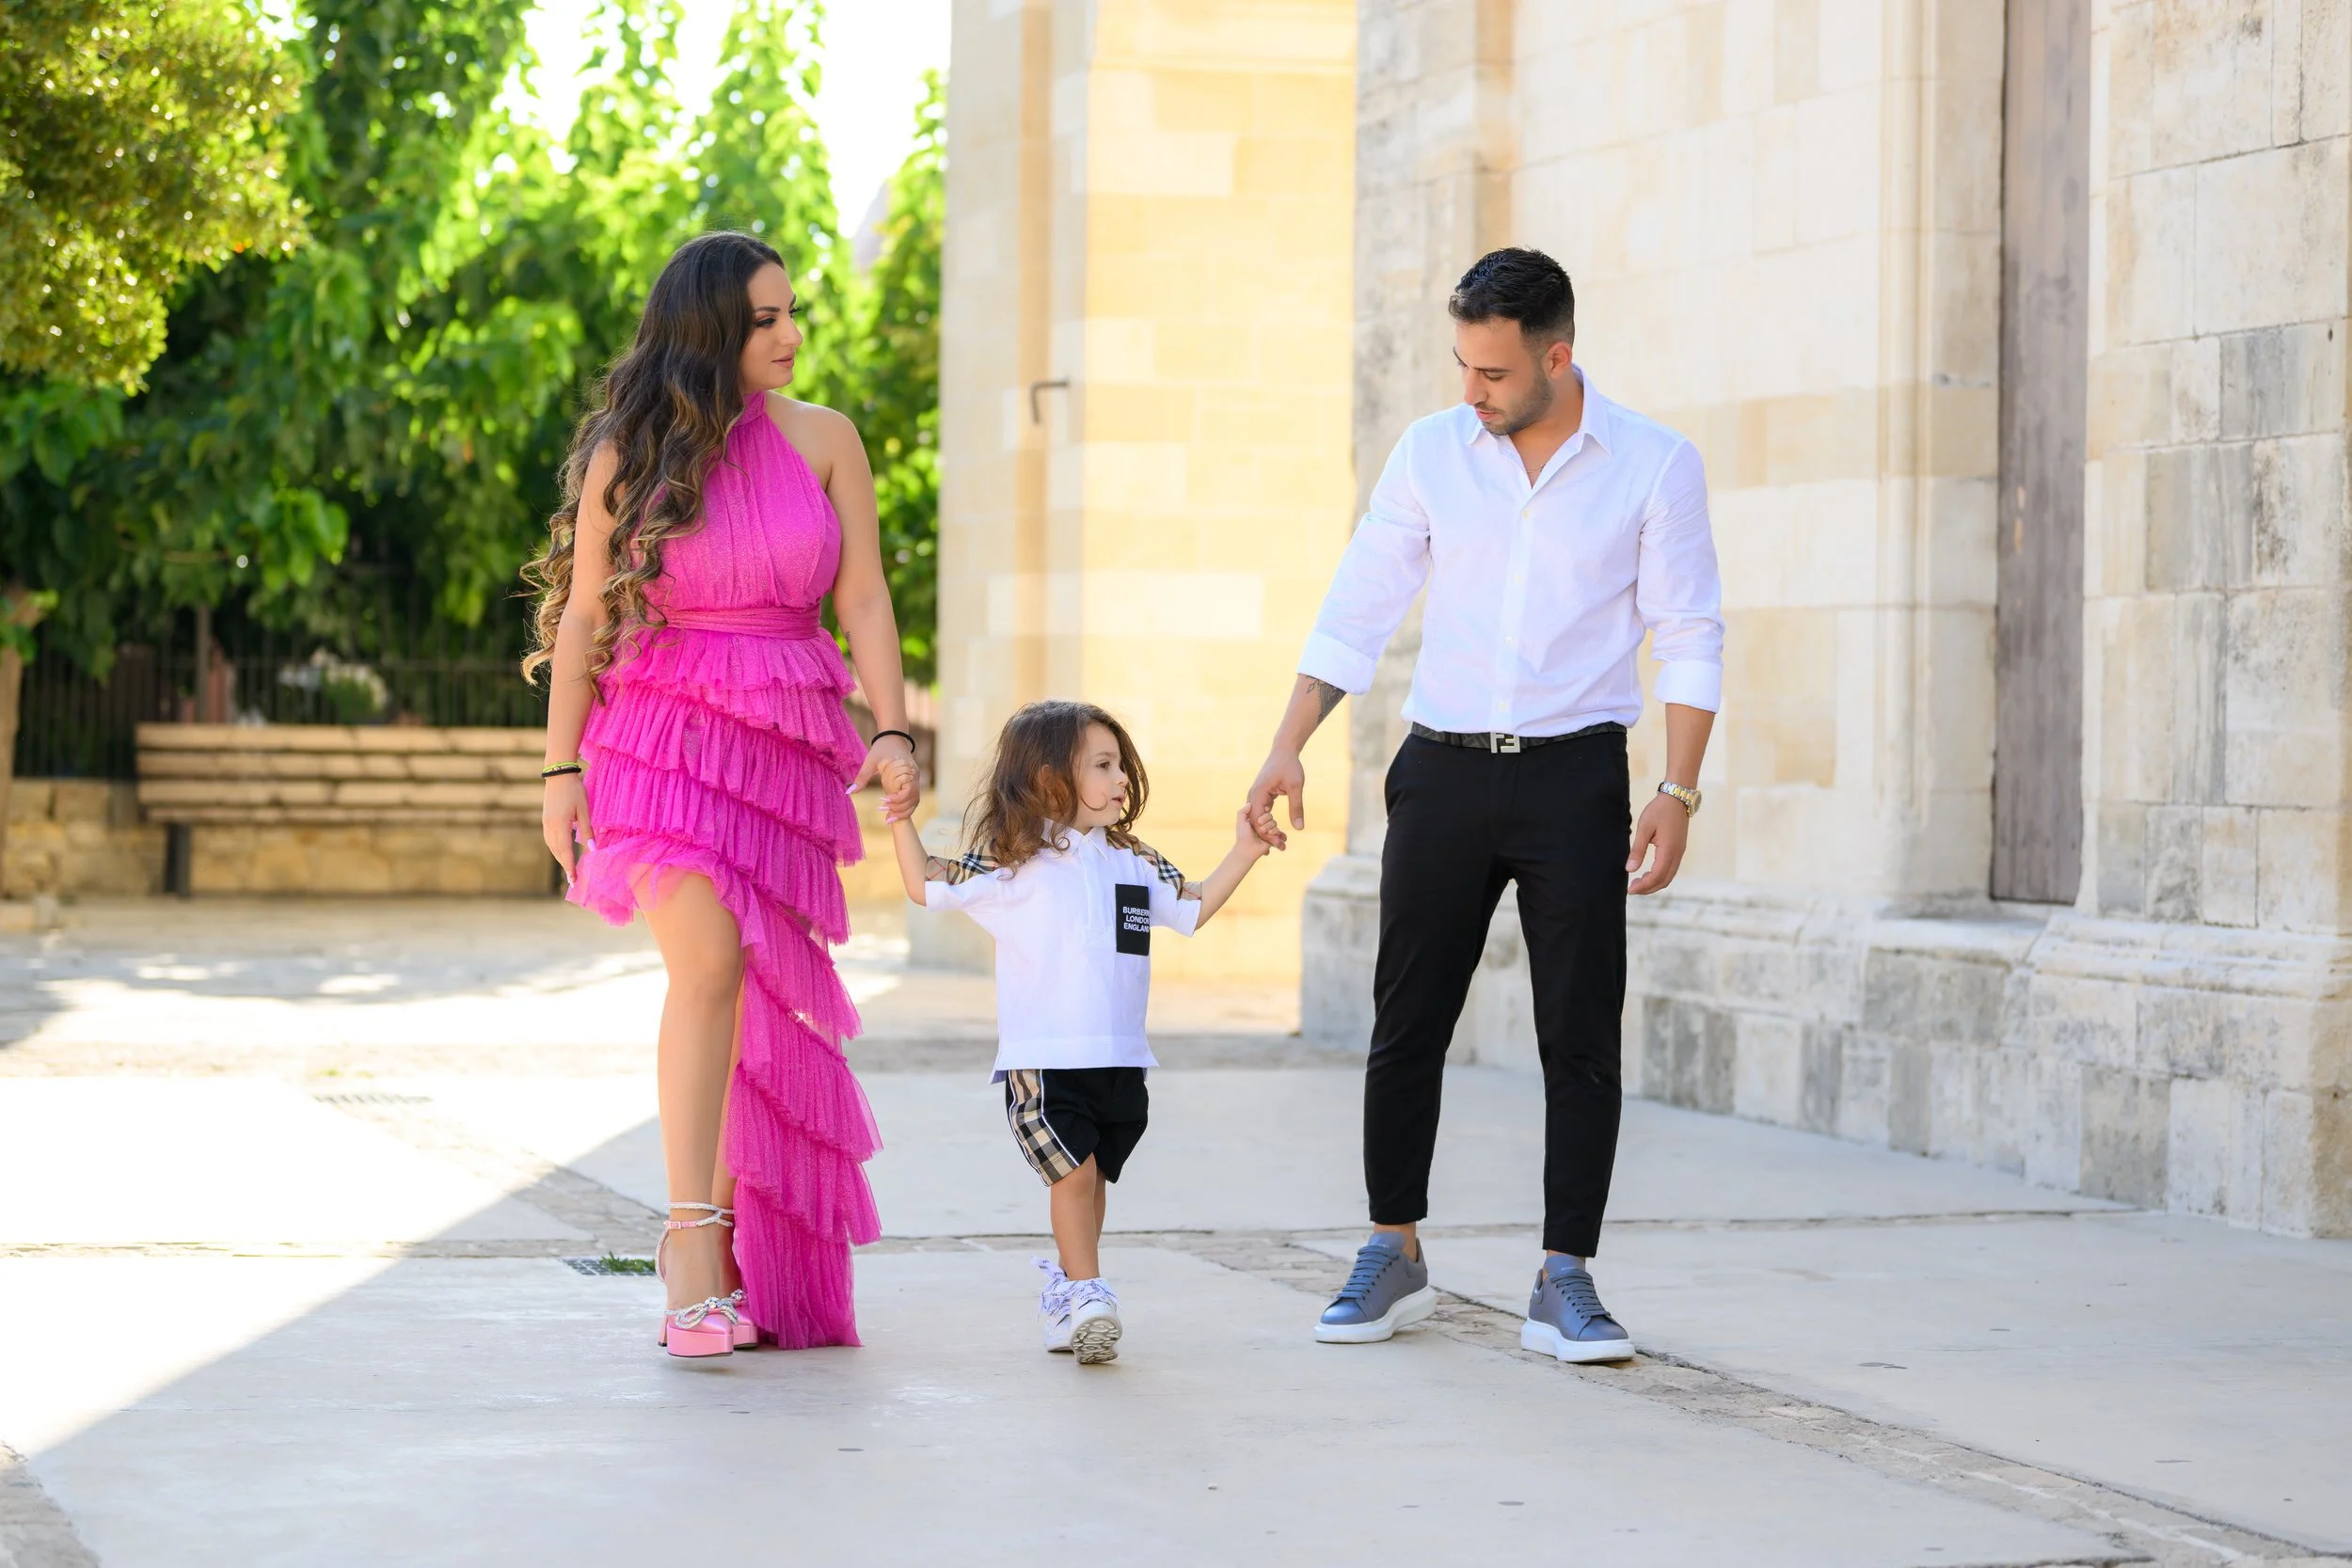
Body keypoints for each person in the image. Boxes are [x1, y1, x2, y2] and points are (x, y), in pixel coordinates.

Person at [1246, 247, 1724, 1362]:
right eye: (1463, 365)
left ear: (1558, 356)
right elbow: (1357, 607)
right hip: (1443, 768)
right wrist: (1283, 747)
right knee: (1406, 1020)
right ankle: (1391, 1247)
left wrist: (1677, 789)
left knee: (1579, 1033)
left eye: (1495, 372)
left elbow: (1691, 629)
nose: (1472, 390)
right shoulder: (1431, 451)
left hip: (1575, 775)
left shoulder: (1654, 464)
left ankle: (1565, 1276)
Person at [525, 230, 920, 1357]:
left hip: (788, 739)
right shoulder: (631, 449)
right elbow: (586, 618)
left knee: (764, 995)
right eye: (765, 320)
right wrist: (560, 770)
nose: (792, 335)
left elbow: (870, 600)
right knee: (707, 966)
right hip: (660, 732)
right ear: (709, 330)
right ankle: (689, 1241)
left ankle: (749, 1243)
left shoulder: (830, 440)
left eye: (794, 313)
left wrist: (889, 727)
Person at [882, 701, 1269, 1363]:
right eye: (1103, 764)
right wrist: (901, 816)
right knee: (1074, 1174)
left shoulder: (1134, 858)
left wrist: (1246, 848)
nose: (1121, 779)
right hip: (1044, 1061)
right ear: (1051, 776)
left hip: (1120, 1058)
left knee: (1094, 1183)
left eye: (1121, 764)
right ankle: (1088, 1289)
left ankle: (1069, 1294)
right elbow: (925, 882)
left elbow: (1193, 906)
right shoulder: (1013, 864)